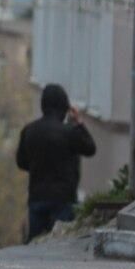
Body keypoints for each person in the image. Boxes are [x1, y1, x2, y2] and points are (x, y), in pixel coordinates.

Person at [15, 84, 97, 243]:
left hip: (37, 197)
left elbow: (21, 162)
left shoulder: (29, 131)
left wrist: (37, 166)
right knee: (60, 244)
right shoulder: (69, 132)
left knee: (34, 245)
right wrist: (79, 123)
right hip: (63, 200)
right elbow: (90, 148)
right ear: (64, 107)